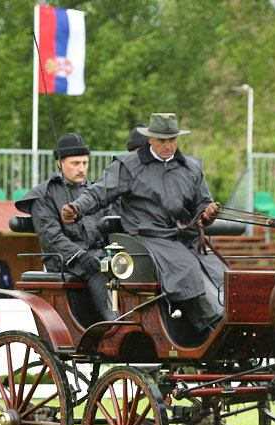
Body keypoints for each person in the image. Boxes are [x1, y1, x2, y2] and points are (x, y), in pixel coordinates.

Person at [62, 113, 223, 332]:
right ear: (150, 139)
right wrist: (77, 208)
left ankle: (224, 319)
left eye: (172, 140)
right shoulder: (129, 166)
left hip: (184, 238)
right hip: (145, 238)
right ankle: (210, 325)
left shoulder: (191, 168)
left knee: (218, 269)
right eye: (162, 140)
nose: (168, 146)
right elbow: (99, 193)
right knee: (186, 268)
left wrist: (208, 211)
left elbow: (202, 202)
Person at [15, 133, 116, 320]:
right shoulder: (45, 195)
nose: (82, 169)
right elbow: (50, 237)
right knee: (97, 267)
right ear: (60, 163)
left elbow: (111, 227)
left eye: (85, 163)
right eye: (75, 163)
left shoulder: (96, 192)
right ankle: (113, 320)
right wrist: (81, 255)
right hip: (66, 261)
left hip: (99, 256)